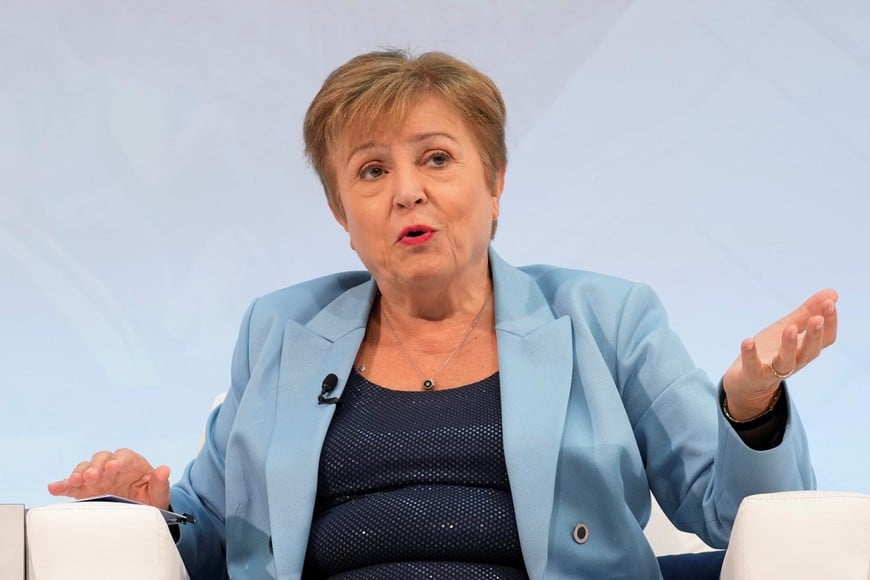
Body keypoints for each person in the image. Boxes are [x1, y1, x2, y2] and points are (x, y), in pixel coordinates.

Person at [48, 50, 838, 579]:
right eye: (371, 170)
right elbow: (215, 535)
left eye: (436, 157)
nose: (407, 192)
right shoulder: (280, 332)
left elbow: (747, 520)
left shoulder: (606, 319)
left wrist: (751, 405)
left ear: (494, 183)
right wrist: (153, 511)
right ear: (341, 213)